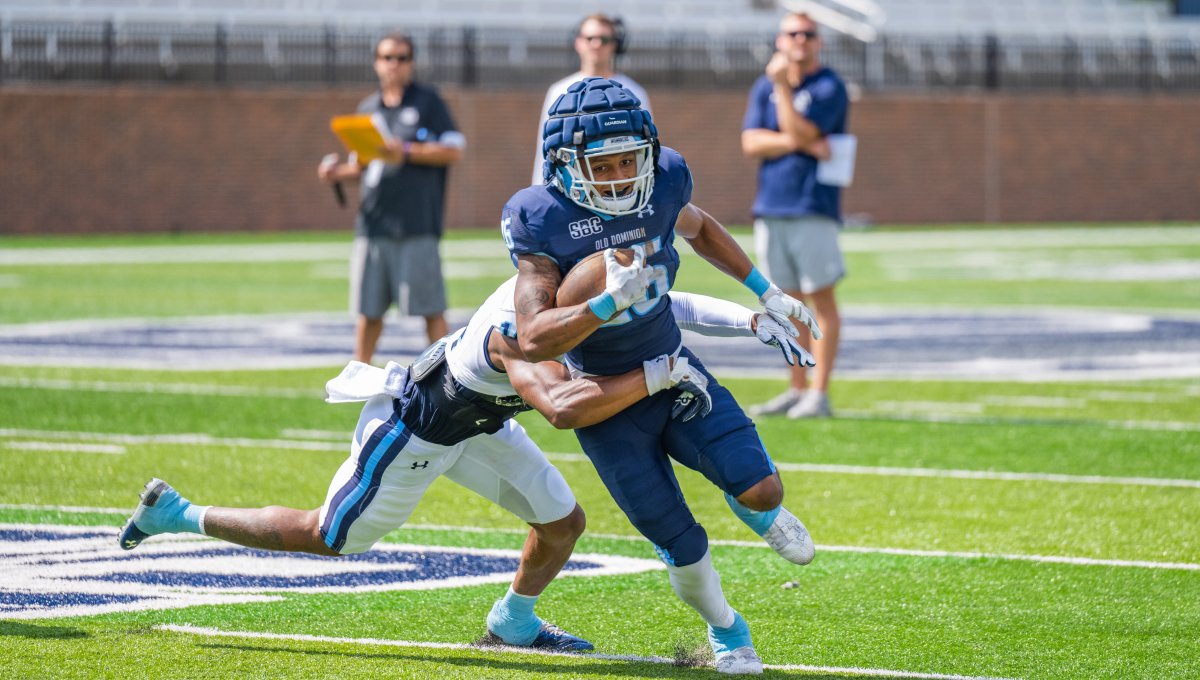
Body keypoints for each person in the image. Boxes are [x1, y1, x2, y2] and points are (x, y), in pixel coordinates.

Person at [117, 268, 809, 654]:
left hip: (482, 425)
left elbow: (662, 303)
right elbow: (563, 405)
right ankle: (180, 513)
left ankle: (512, 624)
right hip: (415, 431)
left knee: (564, 523)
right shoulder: (519, 330)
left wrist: (746, 317)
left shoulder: (562, 288)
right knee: (330, 535)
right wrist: (658, 377)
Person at [502, 76, 823, 675]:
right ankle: (729, 631)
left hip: (675, 370)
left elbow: (698, 228)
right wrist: (603, 304)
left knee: (763, 489)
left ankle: (759, 516)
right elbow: (531, 336)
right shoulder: (542, 218)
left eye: (631, 159)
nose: (623, 175)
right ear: (566, 165)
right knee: (680, 540)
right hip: (603, 396)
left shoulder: (666, 181)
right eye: (605, 163)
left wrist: (766, 293)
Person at [318, 31, 464, 365]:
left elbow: (454, 150)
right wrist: (338, 174)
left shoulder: (429, 102)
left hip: (416, 222)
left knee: (430, 308)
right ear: (376, 63)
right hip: (373, 222)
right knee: (368, 311)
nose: (393, 65)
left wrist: (407, 150)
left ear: (411, 63)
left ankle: (448, 374)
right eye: (386, 57)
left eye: (401, 58)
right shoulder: (368, 108)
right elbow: (365, 167)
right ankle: (359, 373)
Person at [741, 12, 850, 419]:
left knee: (821, 299)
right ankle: (796, 386)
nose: (800, 39)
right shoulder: (761, 85)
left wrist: (783, 89)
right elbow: (751, 143)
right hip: (772, 205)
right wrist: (800, 141)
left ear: (819, 41)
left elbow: (801, 129)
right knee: (786, 302)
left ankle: (818, 393)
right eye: (792, 33)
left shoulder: (828, 85)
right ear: (779, 40)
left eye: (808, 33)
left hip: (812, 206)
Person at [531, 13, 651, 186]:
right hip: (573, 187)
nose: (596, 44)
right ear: (578, 42)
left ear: (615, 45)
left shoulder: (634, 91)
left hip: (622, 187)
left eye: (604, 39)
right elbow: (546, 148)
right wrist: (540, 188)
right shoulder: (559, 90)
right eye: (590, 38)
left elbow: (646, 146)